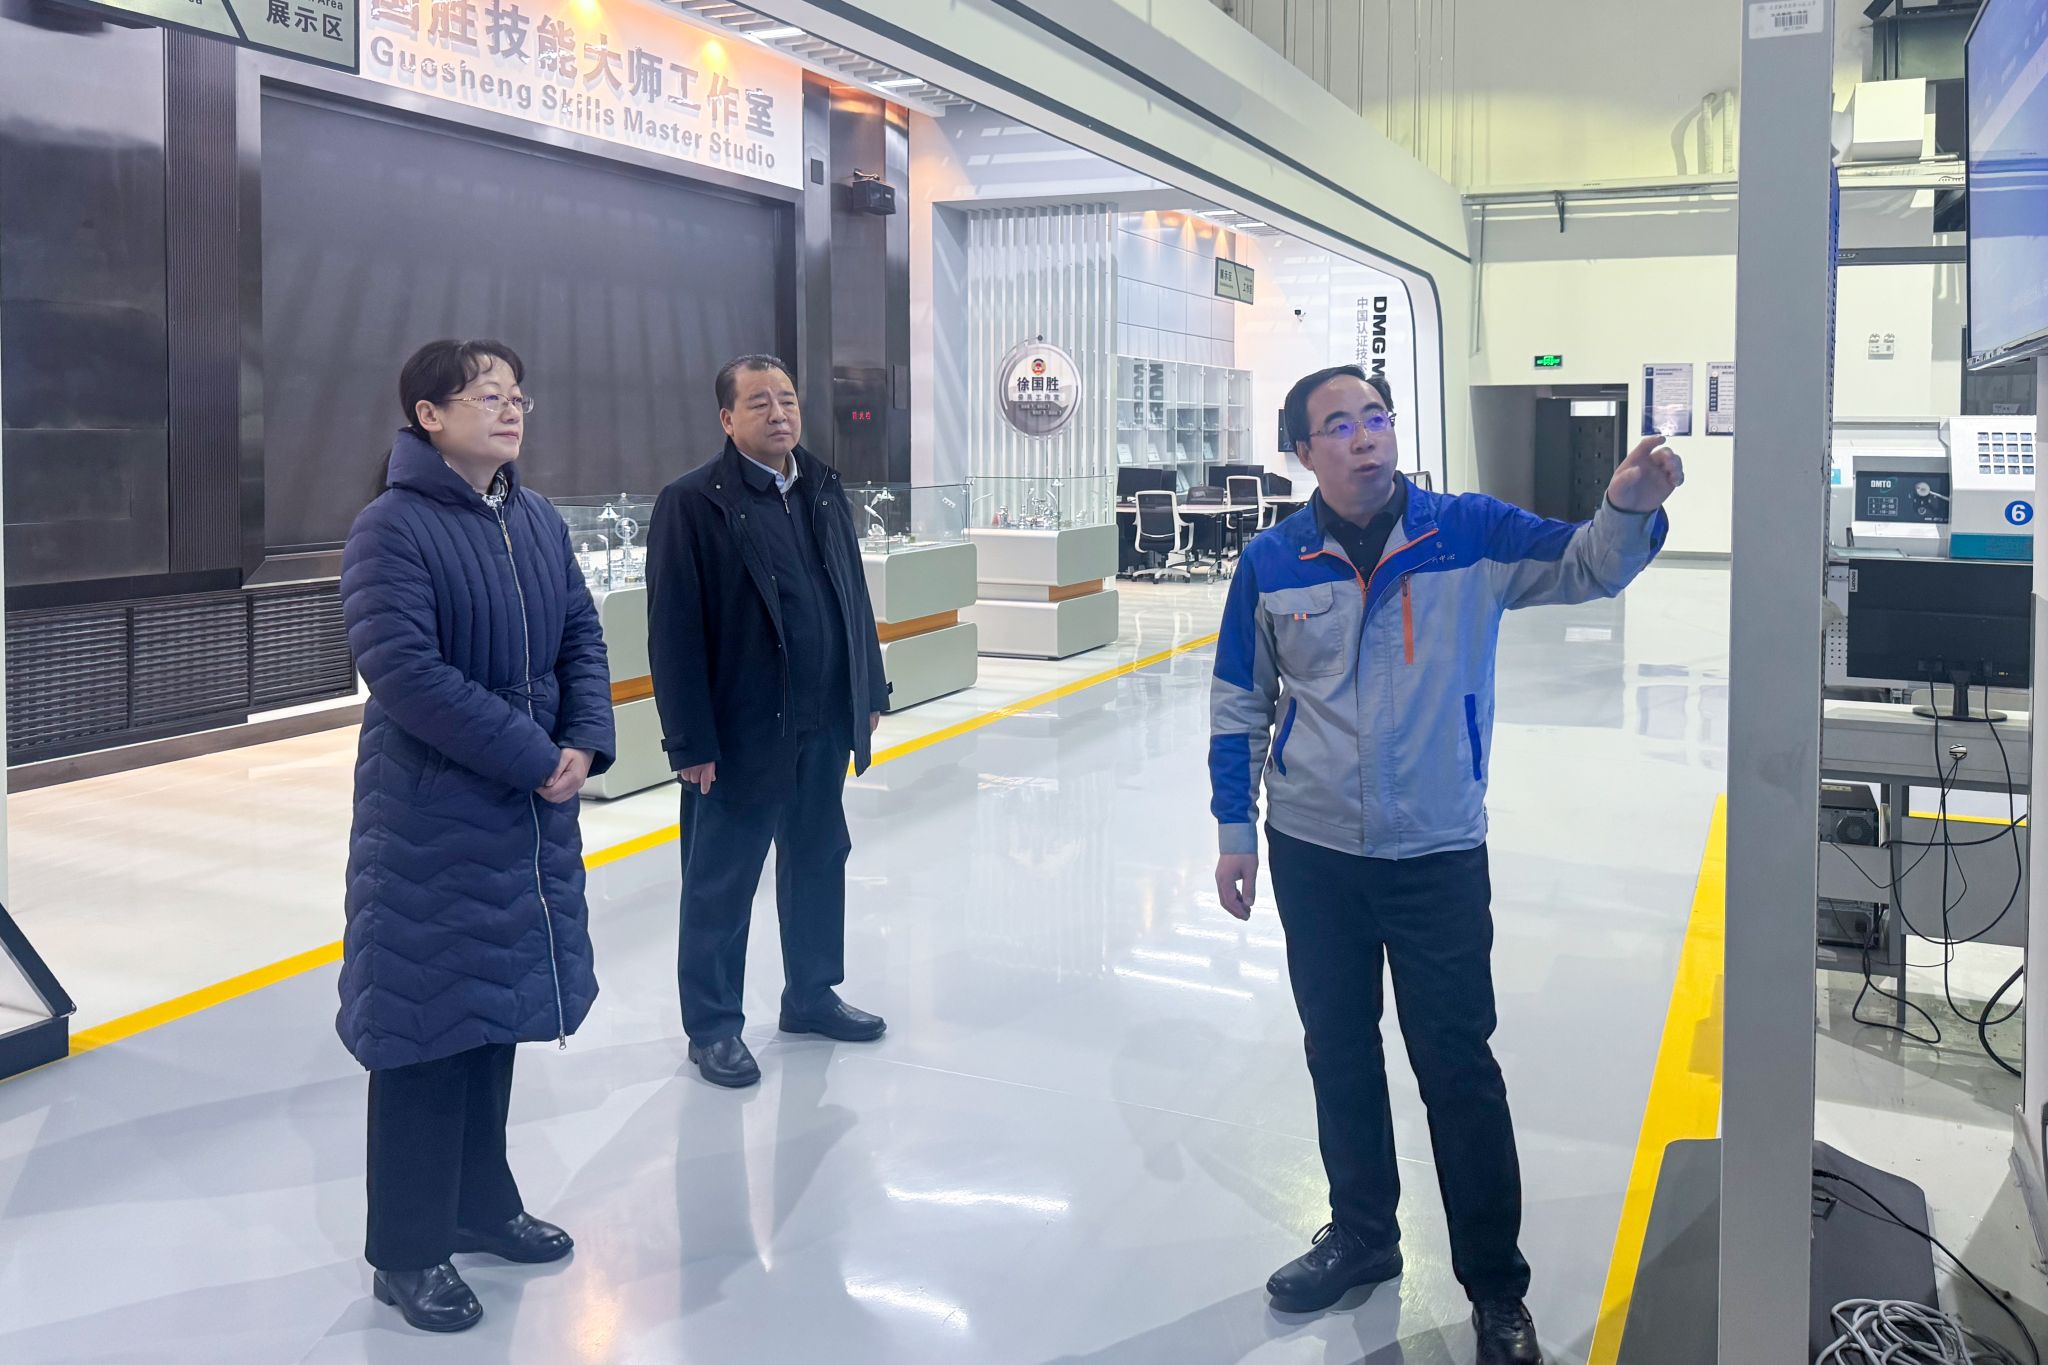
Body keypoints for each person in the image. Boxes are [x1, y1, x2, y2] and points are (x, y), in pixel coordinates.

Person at [1208, 366, 1681, 1364]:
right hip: (1313, 852)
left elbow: (1588, 565)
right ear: (1303, 451)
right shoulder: (1271, 561)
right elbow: (1239, 700)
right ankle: (1362, 1235)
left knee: (1458, 1069)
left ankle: (1496, 1291)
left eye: (1376, 418)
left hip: (1435, 852)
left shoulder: (1467, 531)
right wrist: (1234, 829)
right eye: (1339, 425)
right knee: (1338, 1049)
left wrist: (1627, 508)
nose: (1365, 438)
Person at [339, 339, 616, 1333]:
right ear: (428, 415)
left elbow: (581, 632)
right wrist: (533, 754)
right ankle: (406, 1250)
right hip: (431, 814)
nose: (510, 410)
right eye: (486, 395)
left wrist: (585, 735)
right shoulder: (391, 527)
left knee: (493, 1012)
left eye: (516, 396)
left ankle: (478, 1203)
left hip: (521, 812)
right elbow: (405, 673)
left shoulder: (533, 518)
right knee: (423, 1027)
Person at [645, 354, 892, 1089]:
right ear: (727, 419)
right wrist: (689, 740)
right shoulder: (694, 503)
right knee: (721, 880)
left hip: (823, 721)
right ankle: (713, 1026)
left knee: (818, 857)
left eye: (787, 399)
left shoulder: (820, 486)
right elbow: (673, 632)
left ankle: (810, 994)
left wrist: (867, 687)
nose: (779, 413)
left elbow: (850, 592)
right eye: (759, 402)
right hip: (741, 730)